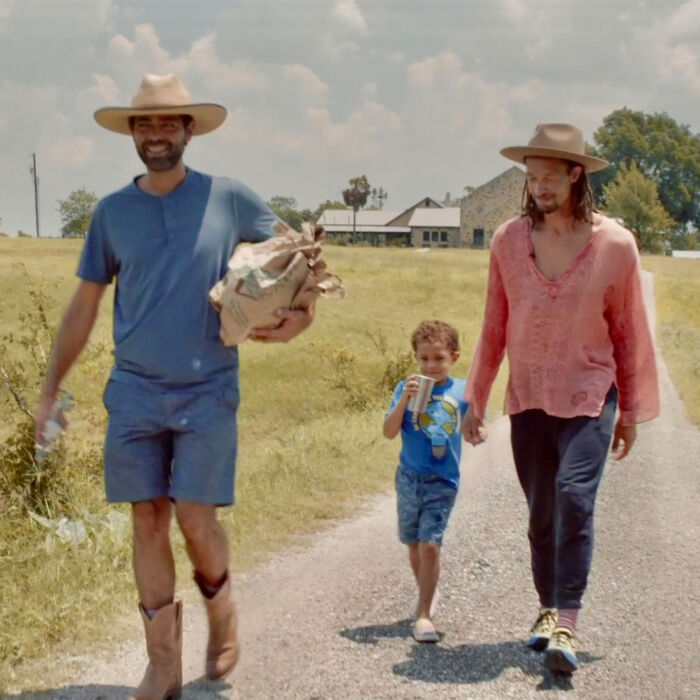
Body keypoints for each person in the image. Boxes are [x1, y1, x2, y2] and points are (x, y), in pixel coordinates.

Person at [35, 74, 314, 700]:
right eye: (144, 124)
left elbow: (297, 261)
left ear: (189, 130)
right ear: (132, 134)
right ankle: (163, 665)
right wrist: (52, 387)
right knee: (148, 518)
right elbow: (84, 304)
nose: (156, 134)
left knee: (193, 515)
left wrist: (302, 317)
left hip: (208, 386)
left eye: (168, 123)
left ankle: (221, 610)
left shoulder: (229, 198)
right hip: (133, 389)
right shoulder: (111, 213)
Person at [461, 123, 659, 674]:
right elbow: (493, 324)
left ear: (577, 174)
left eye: (551, 175)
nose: (540, 185)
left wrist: (633, 412)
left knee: (574, 497)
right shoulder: (506, 240)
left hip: (592, 393)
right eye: (533, 175)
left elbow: (628, 331)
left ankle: (567, 622)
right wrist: (475, 397)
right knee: (540, 511)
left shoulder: (615, 244)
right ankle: (547, 610)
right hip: (528, 395)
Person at [383, 320, 469, 643]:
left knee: (431, 544)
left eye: (439, 358)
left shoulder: (462, 391)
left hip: (442, 479)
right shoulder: (405, 388)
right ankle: (428, 593)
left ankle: (423, 615)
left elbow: (475, 425)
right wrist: (404, 399)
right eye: (425, 359)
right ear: (416, 359)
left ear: (454, 357)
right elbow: (389, 432)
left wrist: (478, 430)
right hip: (408, 477)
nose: (431, 366)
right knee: (414, 544)